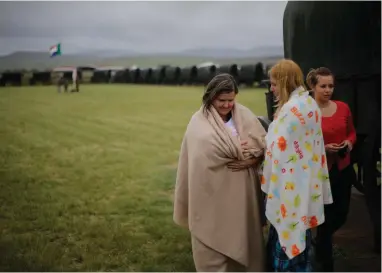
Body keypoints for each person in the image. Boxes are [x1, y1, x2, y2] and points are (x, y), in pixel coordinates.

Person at [173, 73, 267, 272]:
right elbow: (204, 152)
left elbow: (262, 144)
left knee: (242, 233)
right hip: (211, 191)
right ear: (210, 97)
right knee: (212, 234)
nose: (226, 105)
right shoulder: (199, 122)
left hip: (241, 191)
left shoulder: (244, 115)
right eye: (221, 100)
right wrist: (237, 147)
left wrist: (251, 158)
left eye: (230, 100)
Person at [261, 59, 333, 272]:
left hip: (289, 188)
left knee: (288, 237)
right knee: (300, 234)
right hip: (302, 184)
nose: (272, 88)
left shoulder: (292, 109)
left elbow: (276, 145)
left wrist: (258, 144)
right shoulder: (309, 103)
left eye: (274, 84)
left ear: (284, 82)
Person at [307, 67, 357, 271]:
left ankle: (320, 242)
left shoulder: (343, 107)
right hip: (320, 173)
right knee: (325, 217)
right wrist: (323, 149)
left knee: (342, 213)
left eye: (331, 86)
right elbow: (302, 143)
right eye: (323, 86)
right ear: (313, 87)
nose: (328, 90)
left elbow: (352, 132)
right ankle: (325, 262)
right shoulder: (307, 113)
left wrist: (348, 143)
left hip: (343, 169)